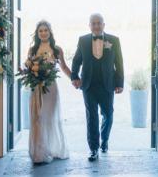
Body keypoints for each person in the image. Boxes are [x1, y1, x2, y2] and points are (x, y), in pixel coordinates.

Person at [71, 14, 124, 162]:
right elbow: (77, 60)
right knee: (91, 116)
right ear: (89, 25)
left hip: (107, 84)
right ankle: (93, 149)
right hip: (88, 85)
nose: (96, 26)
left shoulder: (114, 40)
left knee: (108, 114)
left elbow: (119, 63)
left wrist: (119, 83)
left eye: (99, 23)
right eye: (93, 23)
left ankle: (104, 140)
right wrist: (74, 77)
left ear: (103, 24)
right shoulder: (83, 40)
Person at [27, 21, 70, 164]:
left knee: (50, 118)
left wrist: (75, 79)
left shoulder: (57, 49)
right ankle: (39, 152)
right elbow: (28, 66)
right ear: (37, 33)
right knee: (38, 117)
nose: (43, 33)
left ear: (50, 32)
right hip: (37, 88)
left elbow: (63, 67)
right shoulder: (32, 50)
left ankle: (52, 148)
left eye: (46, 30)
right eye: (40, 31)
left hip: (51, 88)